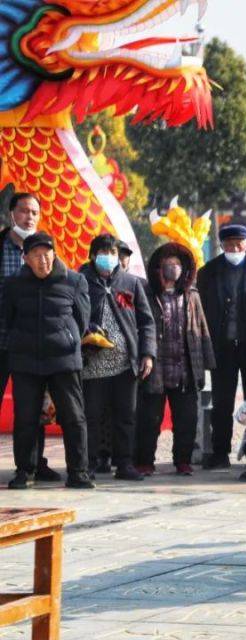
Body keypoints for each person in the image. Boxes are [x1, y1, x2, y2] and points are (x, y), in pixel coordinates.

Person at [5, 232, 94, 490]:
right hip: (25, 360)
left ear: (54, 254)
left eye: (47, 254)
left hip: (64, 360)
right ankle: (25, 471)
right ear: (26, 258)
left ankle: (79, 472)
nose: (43, 260)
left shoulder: (75, 281)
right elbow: (8, 318)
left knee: (74, 417)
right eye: (36, 255)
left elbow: (82, 319)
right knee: (26, 419)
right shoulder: (14, 284)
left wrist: (65, 338)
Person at [197, 224, 246, 470]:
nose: (234, 248)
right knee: (222, 401)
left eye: (239, 243)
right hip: (222, 346)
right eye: (229, 244)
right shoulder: (209, 272)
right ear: (221, 245)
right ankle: (220, 451)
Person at [79, 234, 156, 482]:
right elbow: (71, 315)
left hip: (125, 363)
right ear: (92, 256)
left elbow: (147, 322)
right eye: (103, 253)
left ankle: (124, 464)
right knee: (91, 415)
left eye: (113, 253)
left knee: (126, 415)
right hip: (93, 364)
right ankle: (87, 464)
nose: (109, 258)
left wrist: (147, 354)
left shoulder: (132, 283)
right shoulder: (80, 281)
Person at [135, 243, 216, 476]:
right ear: (158, 268)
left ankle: (182, 460)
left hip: (185, 367)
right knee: (150, 419)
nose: (173, 269)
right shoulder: (148, 294)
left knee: (186, 419)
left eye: (177, 264)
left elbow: (201, 329)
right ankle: (145, 461)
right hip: (155, 367)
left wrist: (207, 365)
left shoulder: (191, 296)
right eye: (168, 264)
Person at [0, 193, 61, 483]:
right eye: (24, 211)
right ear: (12, 213)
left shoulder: (45, 249)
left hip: (32, 343)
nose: (29, 217)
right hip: (1, 338)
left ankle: (33, 464)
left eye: (35, 212)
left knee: (33, 406)